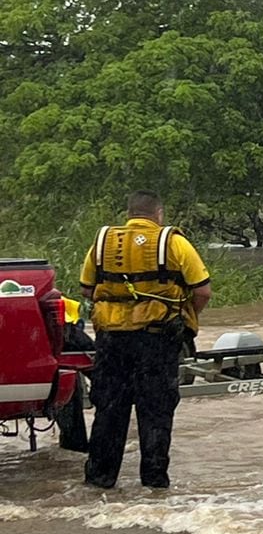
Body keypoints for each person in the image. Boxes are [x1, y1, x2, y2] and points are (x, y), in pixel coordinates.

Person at [80, 190, 211, 489]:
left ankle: (99, 480)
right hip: (157, 339)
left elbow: (87, 289)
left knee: (109, 410)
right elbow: (202, 291)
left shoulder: (102, 243)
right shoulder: (173, 242)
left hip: (111, 340)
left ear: (128, 215)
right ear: (159, 214)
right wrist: (187, 317)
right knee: (156, 412)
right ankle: (154, 485)